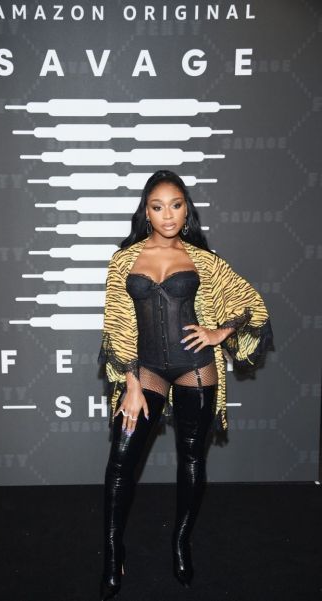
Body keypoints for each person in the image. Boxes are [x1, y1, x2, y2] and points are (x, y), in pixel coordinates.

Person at [97, 169, 274, 599]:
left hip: (195, 366)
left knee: (192, 459)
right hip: (146, 369)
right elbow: (116, 326)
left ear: (186, 209)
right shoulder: (124, 260)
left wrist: (219, 332)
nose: (168, 214)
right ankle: (113, 552)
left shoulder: (203, 261)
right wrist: (131, 383)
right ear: (146, 212)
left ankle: (180, 543)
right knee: (121, 462)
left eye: (176, 205)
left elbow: (250, 303)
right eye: (158, 207)